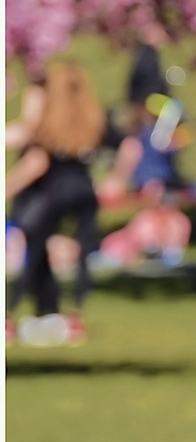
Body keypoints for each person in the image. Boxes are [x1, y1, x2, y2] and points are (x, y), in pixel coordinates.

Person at [5, 62, 107, 345]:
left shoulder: (52, 122)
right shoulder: (91, 117)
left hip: (56, 192)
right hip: (86, 191)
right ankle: (75, 316)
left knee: (35, 252)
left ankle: (9, 313)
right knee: (83, 256)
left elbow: (36, 158)